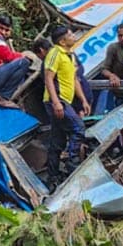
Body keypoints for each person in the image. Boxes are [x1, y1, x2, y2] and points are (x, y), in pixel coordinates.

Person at [43, 26, 91, 186]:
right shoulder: (55, 53)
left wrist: (83, 100)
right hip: (57, 101)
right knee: (78, 128)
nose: (73, 36)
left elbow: (75, 80)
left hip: (65, 101)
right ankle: (73, 162)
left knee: (57, 140)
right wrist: (56, 102)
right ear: (62, 41)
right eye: (70, 34)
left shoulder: (70, 56)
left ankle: (53, 176)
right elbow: (48, 78)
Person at [100, 22, 123, 109]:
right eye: (120, 36)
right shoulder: (114, 48)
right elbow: (104, 68)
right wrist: (111, 75)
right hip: (122, 94)